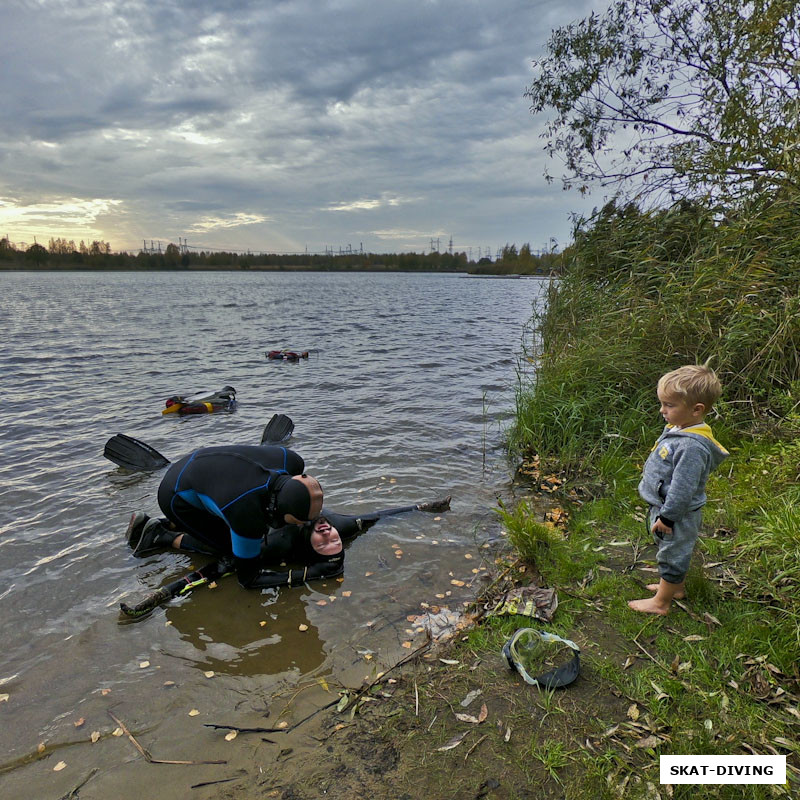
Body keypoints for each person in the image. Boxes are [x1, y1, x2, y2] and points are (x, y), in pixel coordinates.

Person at [125, 444, 323, 589]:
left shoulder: (292, 460)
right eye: (299, 522)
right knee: (231, 550)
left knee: (230, 523)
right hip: (174, 494)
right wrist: (308, 574)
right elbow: (248, 579)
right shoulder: (246, 516)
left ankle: (167, 524)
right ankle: (161, 535)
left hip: (200, 463)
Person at [628, 365, 728, 615]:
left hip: (675, 514)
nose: (662, 410)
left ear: (697, 410)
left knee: (672, 553)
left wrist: (668, 517)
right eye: (662, 404)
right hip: (664, 507)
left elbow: (683, 488)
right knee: (669, 548)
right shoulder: (680, 428)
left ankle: (661, 603)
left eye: (669, 405)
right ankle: (676, 587)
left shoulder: (692, 448)